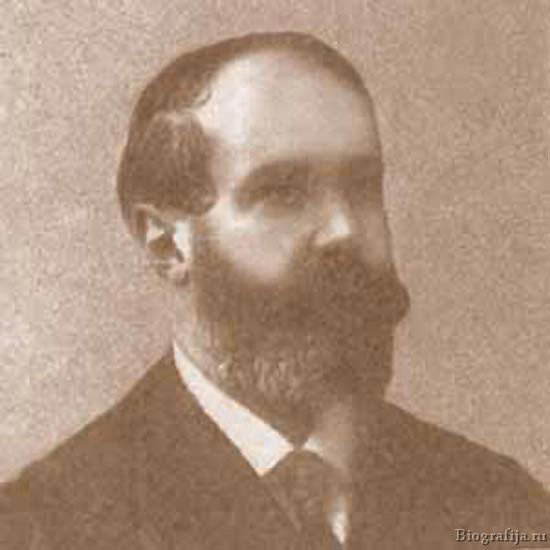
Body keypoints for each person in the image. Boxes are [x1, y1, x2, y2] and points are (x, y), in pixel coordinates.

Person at [1, 32, 548, 550]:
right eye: (282, 192)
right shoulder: (46, 528)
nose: (344, 230)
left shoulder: (504, 511)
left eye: (362, 186)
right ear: (167, 244)